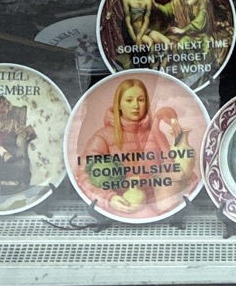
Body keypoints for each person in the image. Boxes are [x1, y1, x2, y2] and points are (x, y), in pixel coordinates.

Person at [83, 77, 195, 214]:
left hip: (157, 205)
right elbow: (83, 174)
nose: (136, 106)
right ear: (119, 104)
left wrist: (188, 180)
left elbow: (172, 169)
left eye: (141, 100)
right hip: (124, 206)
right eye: (129, 100)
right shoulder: (103, 137)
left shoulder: (156, 135)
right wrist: (108, 198)